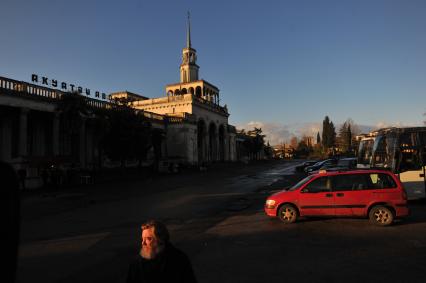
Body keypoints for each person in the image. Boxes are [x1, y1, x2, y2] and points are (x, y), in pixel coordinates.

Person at [127, 220, 197, 283]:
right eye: (142, 239)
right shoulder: (136, 264)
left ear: (161, 240)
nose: (143, 243)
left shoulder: (179, 259)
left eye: (148, 239)